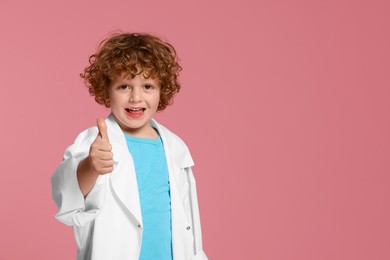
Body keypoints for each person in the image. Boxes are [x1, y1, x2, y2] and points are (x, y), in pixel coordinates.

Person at [51, 32, 208, 260]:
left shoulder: (174, 146)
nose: (136, 97)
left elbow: (189, 219)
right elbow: (67, 197)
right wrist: (91, 166)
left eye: (148, 86)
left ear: (162, 90)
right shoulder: (96, 142)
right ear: (106, 89)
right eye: (124, 86)